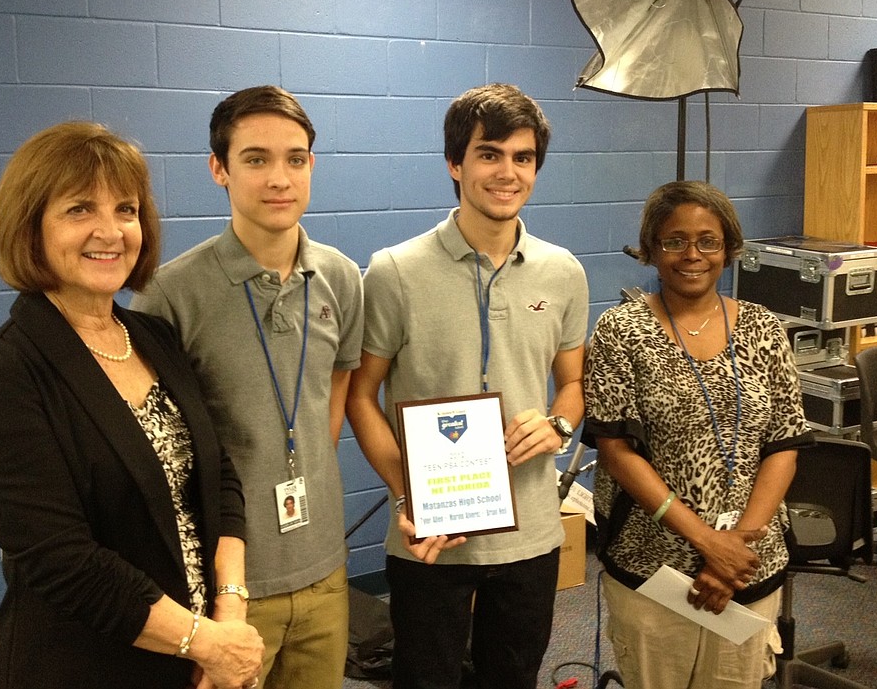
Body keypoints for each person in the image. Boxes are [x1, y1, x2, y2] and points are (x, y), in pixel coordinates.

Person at [0, 122, 264, 689]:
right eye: (78, 210)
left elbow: (219, 478)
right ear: (31, 227)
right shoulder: (0, 378)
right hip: (91, 664)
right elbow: (66, 564)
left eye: (126, 208)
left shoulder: (153, 338)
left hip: (203, 655)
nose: (111, 231)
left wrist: (230, 612)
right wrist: (207, 642)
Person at [347, 83, 589, 689]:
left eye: (523, 157)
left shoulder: (563, 272)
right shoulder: (394, 271)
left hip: (531, 531)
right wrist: (409, 498)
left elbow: (574, 382)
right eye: (490, 154)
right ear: (456, 164)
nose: (508, 173)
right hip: (430, 539)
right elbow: (360, 395)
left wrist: (558, 425)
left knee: (512, 679)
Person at [131, 86, 363, 689]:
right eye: (256, 159)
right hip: (225, 587)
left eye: (296, 158)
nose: (278, 178)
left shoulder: (340, 277)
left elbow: (334, 392)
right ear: (219, 169)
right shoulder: (170, 295)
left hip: (324, 571)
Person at [583, 180, 813, 689]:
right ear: (651, 250)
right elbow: (616, 452)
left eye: (708, 241)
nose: (693, 255)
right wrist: (709, 541)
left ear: (729, 248)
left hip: (746, 566)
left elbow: (783, 445)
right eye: (674, 241)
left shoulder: (763, 328)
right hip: (652, 564)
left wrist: (734, 549)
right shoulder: (620, 331)